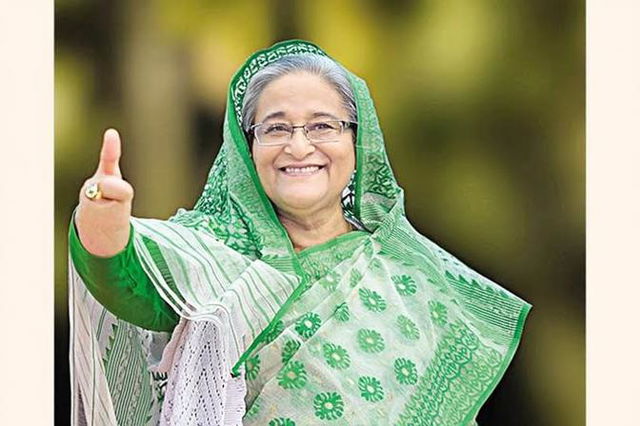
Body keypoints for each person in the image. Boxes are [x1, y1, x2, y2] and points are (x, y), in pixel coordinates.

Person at [69, 40, 532, 426]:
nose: (299, 145)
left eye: (322, 125)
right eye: (275, 128)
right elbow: (126, 277)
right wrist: (103, 220)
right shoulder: (213, 257)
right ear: (247, 150)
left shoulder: (413, 280)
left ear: (357, 141)